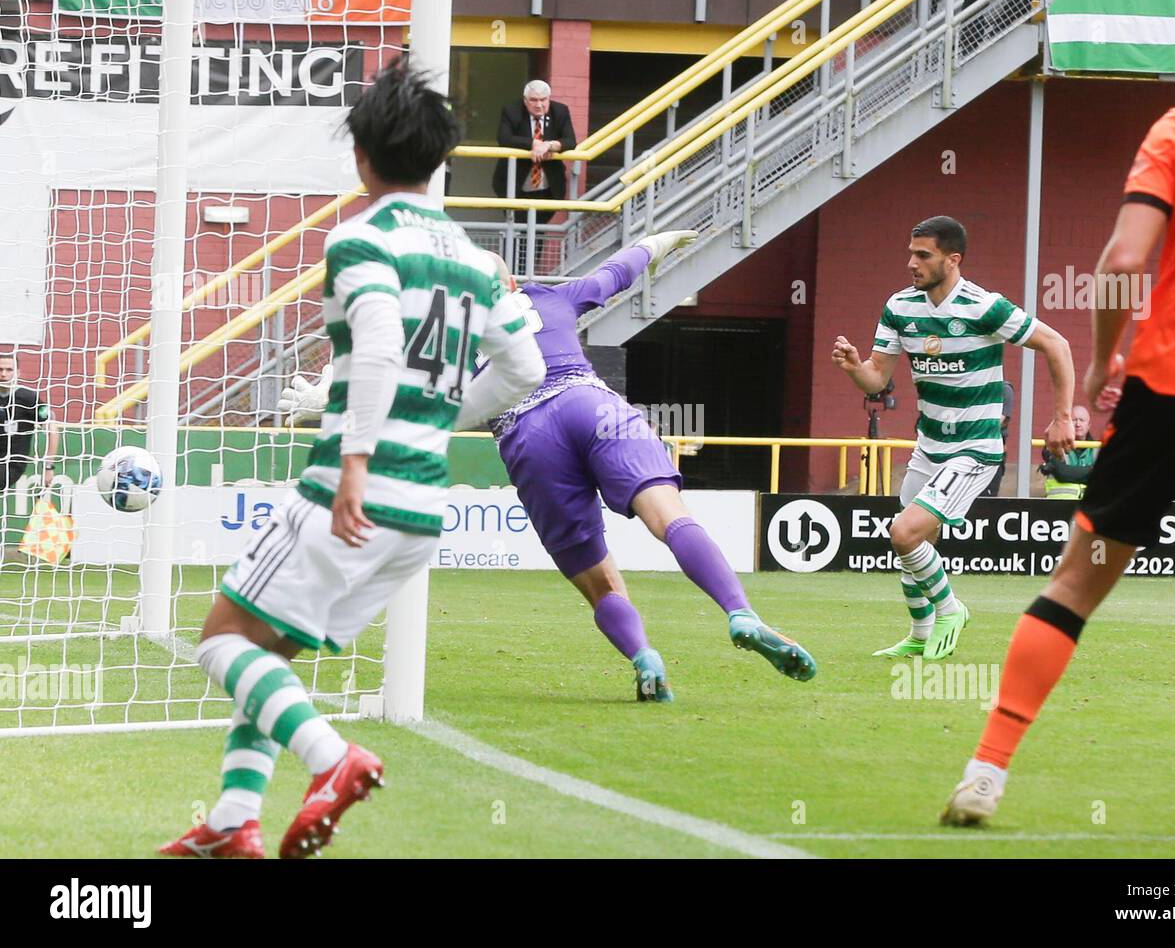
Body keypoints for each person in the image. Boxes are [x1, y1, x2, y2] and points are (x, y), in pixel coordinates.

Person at [161, 59, 545, 860]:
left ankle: (335, 761)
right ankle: (233, 825)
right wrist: (433, 423)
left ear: (362, 156)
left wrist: (362, 461)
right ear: (439, 159)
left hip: (350, 491)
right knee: (270, 659)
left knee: (222, 641)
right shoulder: (476, 260)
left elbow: (373, 346)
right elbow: (526, 372)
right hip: (423, 509)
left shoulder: (361, 239)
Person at [940, 0, 1175, 836]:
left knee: (1076, 583)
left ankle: (986, 773)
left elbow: (1124, 259)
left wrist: (1104, 364)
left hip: (1168, 386)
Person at [286, 234, 818, 700]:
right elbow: (619, 271)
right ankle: (739, 612)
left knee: (600, 582)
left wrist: (326, 400)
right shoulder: (549, 295)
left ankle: (645, 658)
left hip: (527, 437)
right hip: (590, 403)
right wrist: (657, 242)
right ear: (513, 283)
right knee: (670, 517)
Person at [832, 216, 1075, 662]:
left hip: (973, 450)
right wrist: (854, 369)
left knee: (903, 533)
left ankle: (951, 609)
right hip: (928, 446)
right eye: (910, 253)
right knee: (917, 544)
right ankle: (921, 633)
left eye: (923, 255)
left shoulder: (985, 307)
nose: (911, 263)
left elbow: (1057, 345)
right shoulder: (900, 307)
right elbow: (876, 380)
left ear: (953, 259)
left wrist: (1062, 418)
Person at [492, 81, 578, 224]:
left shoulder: (560, 111)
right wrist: (534, 143)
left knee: (539, 231)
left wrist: (549, 145)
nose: (538, 105)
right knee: (516, 230)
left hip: (548, 186)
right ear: (525, 101)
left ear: (549, 98)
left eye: (543, 100)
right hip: (515, 184)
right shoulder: (512, 111)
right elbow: (504, 138)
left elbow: (570, 141)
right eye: (533, 100)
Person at [1, 353, 58, 492]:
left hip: (11, 464)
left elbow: (52, 428)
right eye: (0, 369)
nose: (3, 374)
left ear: (18, 373)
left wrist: (48, 466)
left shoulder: (29, 397)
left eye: (9, 370)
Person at [1039, 404, 1096, 499]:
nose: (1078, 424)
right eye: (1074, 420)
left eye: (1082, 420)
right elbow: (1062, 473)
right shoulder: (1054, 445)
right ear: (1068, 423)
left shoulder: (1098, 449)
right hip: (1060, 505)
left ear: (1089, 425)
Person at [980, 381, 1014, 497]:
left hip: (990, 455)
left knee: (987, 499)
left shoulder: (1004, 389)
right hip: (962, 453)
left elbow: (1000, 421)